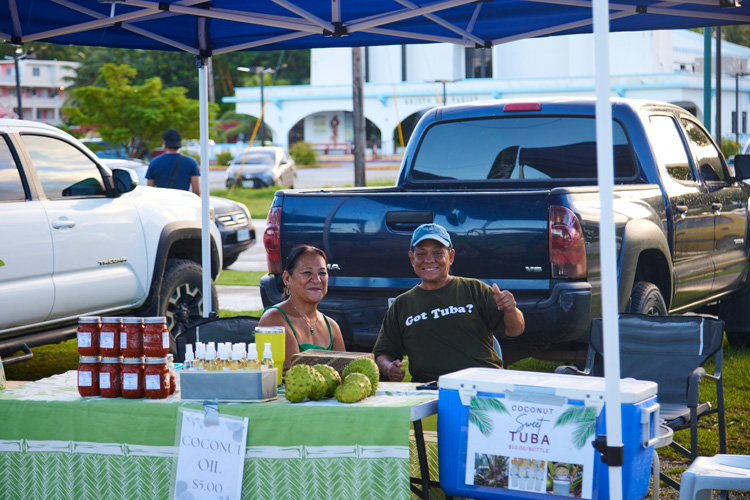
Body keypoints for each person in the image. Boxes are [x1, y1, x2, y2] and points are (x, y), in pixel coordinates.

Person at [373, 223, 525, 382]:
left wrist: (511, 309)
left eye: (438, 253)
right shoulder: (401, 304)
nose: (429, 260)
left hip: (482, 384)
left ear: (451, 257)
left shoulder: (475, 289)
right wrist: (388, 367)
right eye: (421, 254)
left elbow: (515, 330)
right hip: (430, 390)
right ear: (412, 259)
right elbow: (383, 353)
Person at [258, 245, 346, 373]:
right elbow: (296, 375)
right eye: (307, 272)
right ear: (287, 279)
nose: (317, 280)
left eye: (322, 273)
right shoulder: (274, 319)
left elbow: (344, 372)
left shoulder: (332, 326)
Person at [146, 129, 200, 195]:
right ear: (180, 143)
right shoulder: (191, 162)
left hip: (161, 203)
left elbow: (149, 190)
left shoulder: (154, 162)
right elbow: (196, 191)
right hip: (183, 203)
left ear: (165, 143)